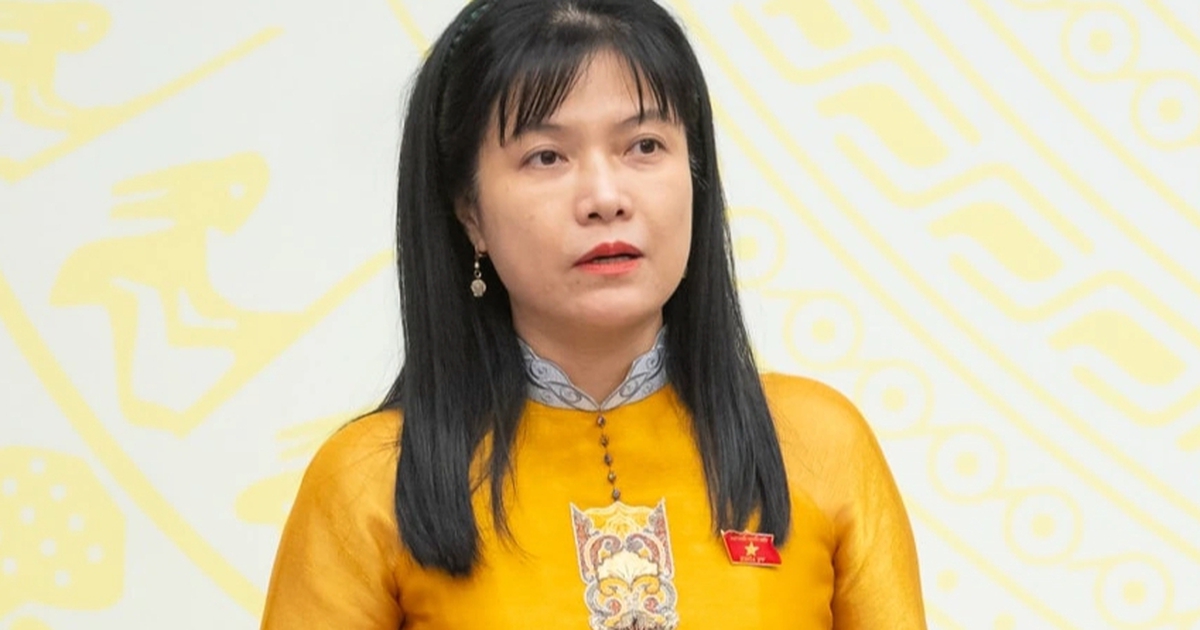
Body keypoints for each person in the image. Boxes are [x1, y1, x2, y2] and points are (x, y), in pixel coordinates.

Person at [260, 0, 926, 627]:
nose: (606, 197)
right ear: (470, 213)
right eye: (547, 156)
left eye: (644, 146)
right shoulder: (371, 483)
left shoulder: (818, 444)